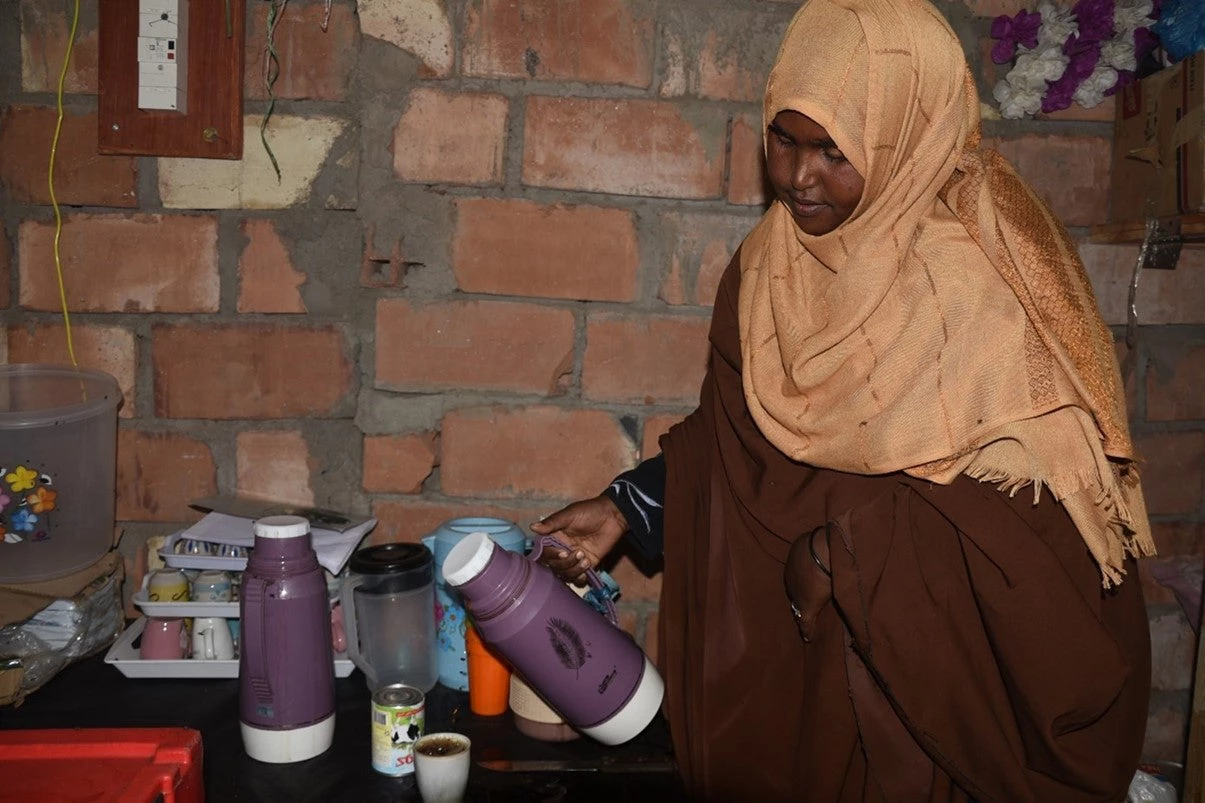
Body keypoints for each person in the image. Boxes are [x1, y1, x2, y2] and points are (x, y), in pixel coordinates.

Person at [530, 0, 1156, 801]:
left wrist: (852, 555)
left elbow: (1042, 536)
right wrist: (633, 504)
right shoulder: (768, 266)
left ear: (904, 140)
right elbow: (747, 437)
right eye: (783, 141)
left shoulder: (982, 291)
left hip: (922, 698)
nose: (797, 178)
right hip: (803, 667)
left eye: (834, 151)